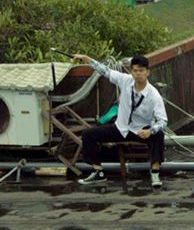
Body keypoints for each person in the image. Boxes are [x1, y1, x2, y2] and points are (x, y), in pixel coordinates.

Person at [72, 54, 167, 188]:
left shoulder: (154, 95)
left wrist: (150, 131)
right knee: (88, 134)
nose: (137, 74)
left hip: (141, 130)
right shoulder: (125, 80)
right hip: (120, 128)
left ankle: (155, 172)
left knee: (158, 135)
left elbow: (163, 121)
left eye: (141, 70)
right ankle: (98, 172)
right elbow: (105, 71)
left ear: (147, 72)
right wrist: (87, 59)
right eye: (135, 70)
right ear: (131, 71)